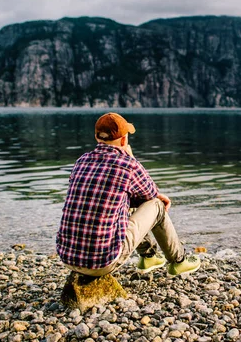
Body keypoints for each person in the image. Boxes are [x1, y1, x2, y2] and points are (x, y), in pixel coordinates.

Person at [56, 112, 200, 277]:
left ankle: (149, 257)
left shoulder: (81, 161)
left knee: (128, 201)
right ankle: (179, 262)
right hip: (102, 263)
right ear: (124, 140)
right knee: (157, 207)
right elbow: (151, 193)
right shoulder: (128, 165)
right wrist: (130, 156)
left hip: (68, 259)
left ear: (97, 137)